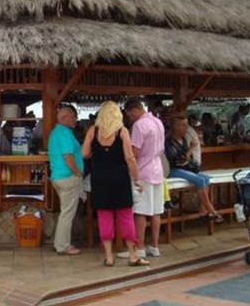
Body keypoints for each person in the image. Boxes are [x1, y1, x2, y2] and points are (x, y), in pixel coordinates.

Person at [82, 101, 149, 267]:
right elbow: (129, 158)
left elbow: (84, 153)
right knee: (125, 216)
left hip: (99, 178)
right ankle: (133, 255)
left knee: (104, 216)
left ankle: (109, 256)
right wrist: (137, 178)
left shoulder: (93, 131)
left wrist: (95, 154)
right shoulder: (122, 132)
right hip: (119, 178)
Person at [120, 98, 165, 259]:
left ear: (133, 110)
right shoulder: (158, 122)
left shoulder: (139, 125)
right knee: (155, 212)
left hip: (143, 172)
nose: (129, 118)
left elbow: (136, 152)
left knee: (140, 212)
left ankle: (139, 247)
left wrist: (125, 155)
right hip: (157, 170)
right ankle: (154, 245)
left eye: (128, 115)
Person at [166, 116, 223, 222]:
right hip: (172, 170)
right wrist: (190, 149)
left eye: (186, 125)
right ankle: (211, 210)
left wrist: (188, 154)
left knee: (205, 178)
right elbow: (177, 161)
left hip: (184, 168)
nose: (186, 128)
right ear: (176, 127)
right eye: (183, 125)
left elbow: (186, 159)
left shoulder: (182, 140)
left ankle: (202, 210)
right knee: (200, 180)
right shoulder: (169, 142)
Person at [48, 105, 84, 256]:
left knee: (65, 212)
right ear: (65, 118)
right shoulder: (65, 133)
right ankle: (63, 245)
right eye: (73, 117)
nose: (76, 120)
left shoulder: (55, 132)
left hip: (58, 176)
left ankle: (60, 242)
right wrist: (77, 172)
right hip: (68, 177)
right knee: (67, 213)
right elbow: (68, 157)